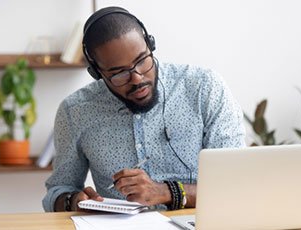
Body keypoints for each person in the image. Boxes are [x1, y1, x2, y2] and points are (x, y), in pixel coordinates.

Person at [43, 6, 245, 212]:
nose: (137, 78)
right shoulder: (75, 111)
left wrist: (166, 192)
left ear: (151, 45)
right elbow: (57, 191)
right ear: (97, 73)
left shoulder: (204, 88)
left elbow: (236, 184)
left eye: (141, 61)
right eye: (119, 73)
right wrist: (73, 201)